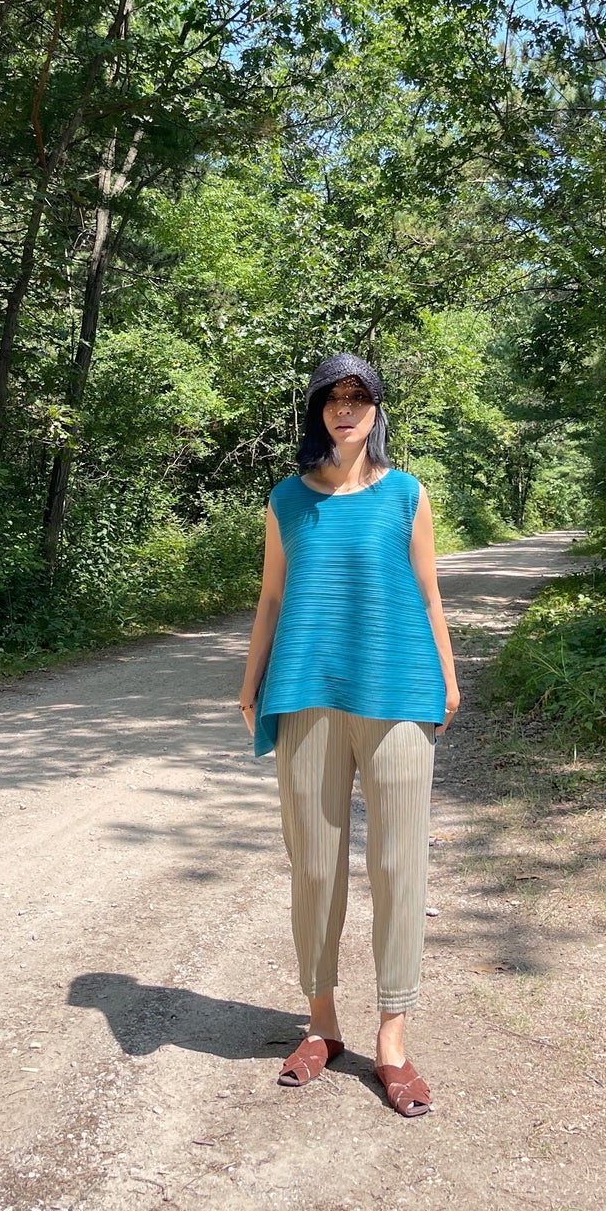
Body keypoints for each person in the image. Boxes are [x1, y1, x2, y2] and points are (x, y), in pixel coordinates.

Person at [238, 352, 459, 1118]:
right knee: (315, 867)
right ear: (315, 413)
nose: (344, 409)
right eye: (330, 398)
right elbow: (270, 597)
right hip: (303, 693)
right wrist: (249, 680)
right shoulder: (286, 500)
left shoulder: (406, 494)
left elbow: (430, 595)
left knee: (401, 866)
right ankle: (321, 1024)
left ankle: (392, 1038)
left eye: (357, 396)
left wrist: (449, 677)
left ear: (376, 409)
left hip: (398, 691)